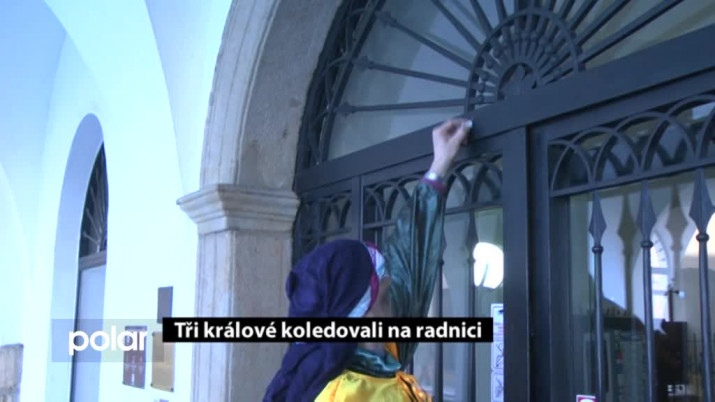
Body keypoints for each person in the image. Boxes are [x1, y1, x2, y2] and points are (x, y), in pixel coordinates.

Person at [264, 119, 472, 401]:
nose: (394, 306)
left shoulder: (379, 353)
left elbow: (409, 261)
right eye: (384, 298)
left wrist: (438, 167)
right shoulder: (341, 395)